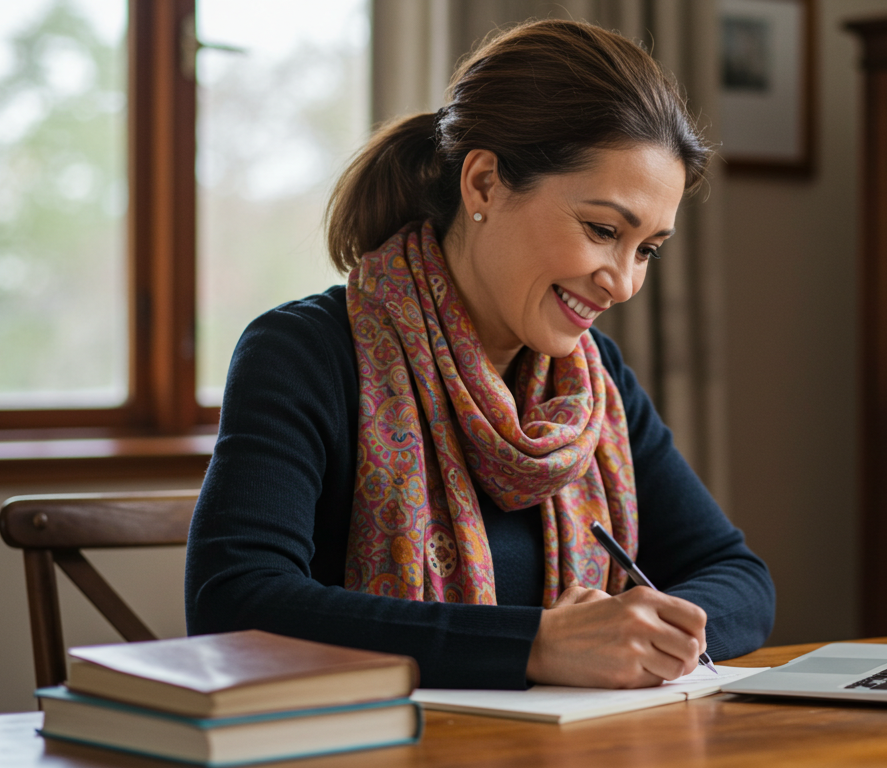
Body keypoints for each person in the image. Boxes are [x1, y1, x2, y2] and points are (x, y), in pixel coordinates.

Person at [184, 19, 775, 690]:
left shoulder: (595, 382)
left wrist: (643, 632)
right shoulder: (304, 355)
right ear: (485, 184)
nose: (623, 280)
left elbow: (742, 581)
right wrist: (539, 645)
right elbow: (232, 604)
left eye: (647, 249)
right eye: (602, 230)